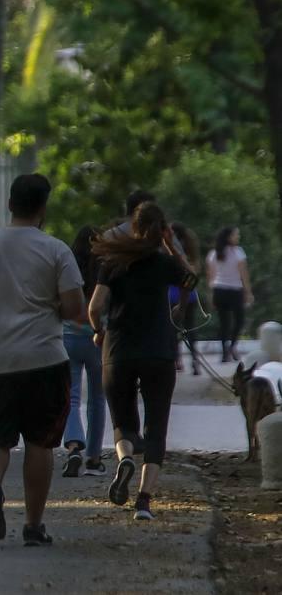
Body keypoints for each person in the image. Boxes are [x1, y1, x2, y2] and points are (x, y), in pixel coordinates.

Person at [0, 174, 84, 545]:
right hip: (44, 360)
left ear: (10, 204)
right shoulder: (57, 250)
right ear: (43, 208)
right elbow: (75, 308)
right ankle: (32, 524)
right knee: (40, 443)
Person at [88, 202, 196, 521]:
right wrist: (172, 248)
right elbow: (191, 281)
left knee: (123, 423)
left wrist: (99, 331)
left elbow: (95, 307)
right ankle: (144, 502)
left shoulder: (113, 262)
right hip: (159, 352)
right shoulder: (164, 263)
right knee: (157, 427)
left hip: (119, 350)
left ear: (133, 228)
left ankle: (125, 460)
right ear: (162, 231)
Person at [59, 226, 107, 478]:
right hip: (99, 337)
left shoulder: (68, 268)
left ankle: (74, 447)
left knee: (71, 396)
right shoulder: (105, 268)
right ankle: (94, 458)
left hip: (69, 337)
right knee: (98, 399)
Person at [206, 226, 252, 363]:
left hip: (219, 290)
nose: (238, 237)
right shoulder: (238, 252)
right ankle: (231, 347)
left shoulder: (214, 253)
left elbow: (210, 276)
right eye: (236, 235)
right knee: (239, 320)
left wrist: (211, 293)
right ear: (228, 237)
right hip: (234, 290)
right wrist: (248, 292)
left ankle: (226, 351)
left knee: (224, 323)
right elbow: (244, 274)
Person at [168, 222, 205, 375]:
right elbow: (195, 272)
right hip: (189, 293)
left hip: (172, 293)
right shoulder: (191, 252)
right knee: (190, 328)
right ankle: (195, 360)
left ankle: (177, 360)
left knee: (173, 328)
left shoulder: (169, 249)